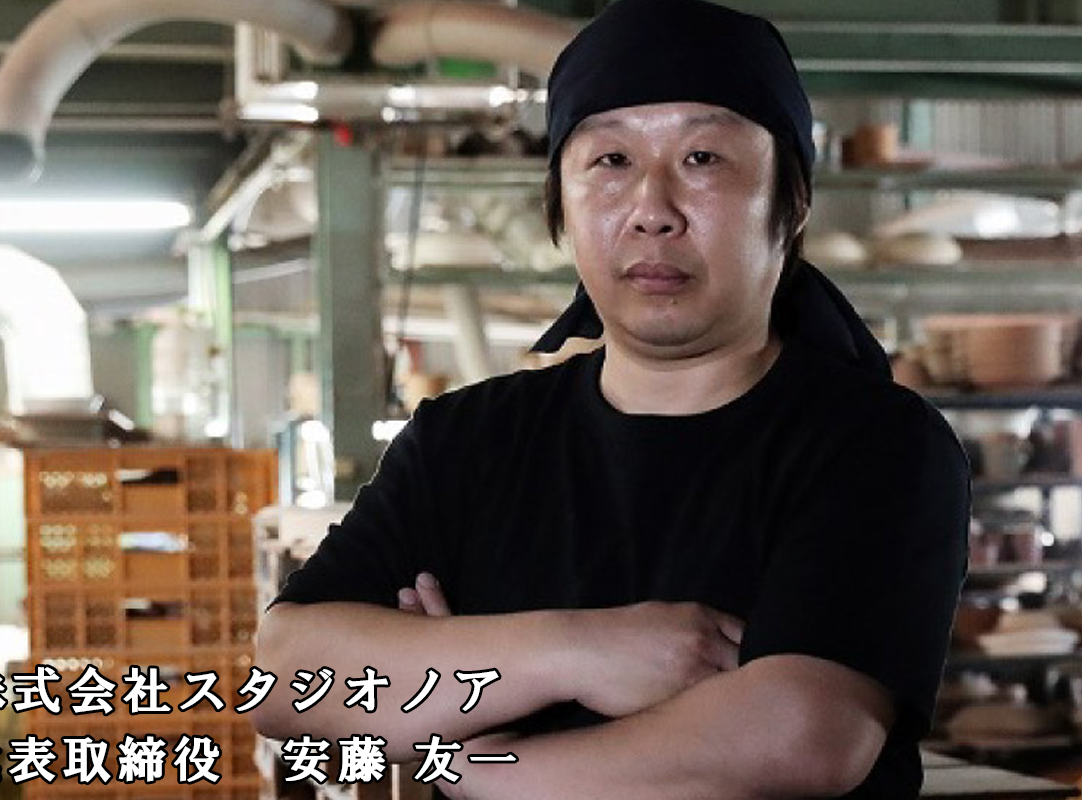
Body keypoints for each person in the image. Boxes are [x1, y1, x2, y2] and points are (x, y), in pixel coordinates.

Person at [252, 0, 970, 797]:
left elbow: (797, 737)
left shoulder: (875, 443)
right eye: (611, 160)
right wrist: (577, 651)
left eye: (703, 158)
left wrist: (474, 756)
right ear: (560, 202)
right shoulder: (467, 440)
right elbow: (285, 677)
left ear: (791, 201)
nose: (652, 211)